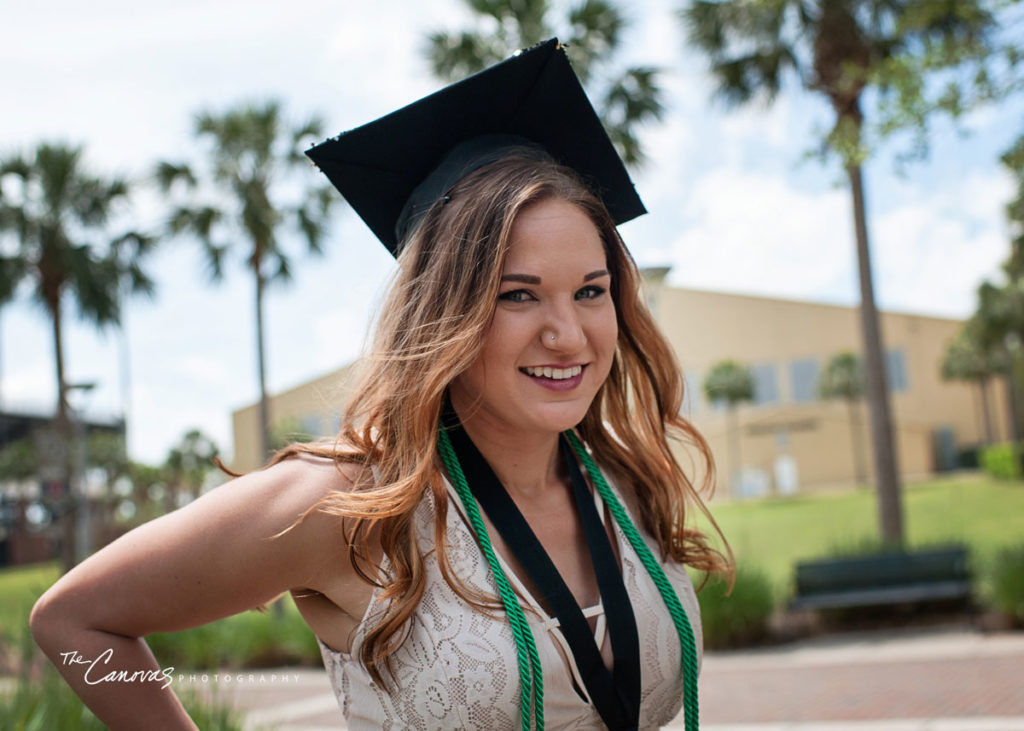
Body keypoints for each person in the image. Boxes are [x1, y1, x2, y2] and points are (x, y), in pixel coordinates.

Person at [30, 39, 730, 730]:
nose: (568, 334)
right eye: (518, 295)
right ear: (445, 309)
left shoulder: (620, 478)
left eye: (590, 290)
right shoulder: (350, 505)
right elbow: (75, 619)